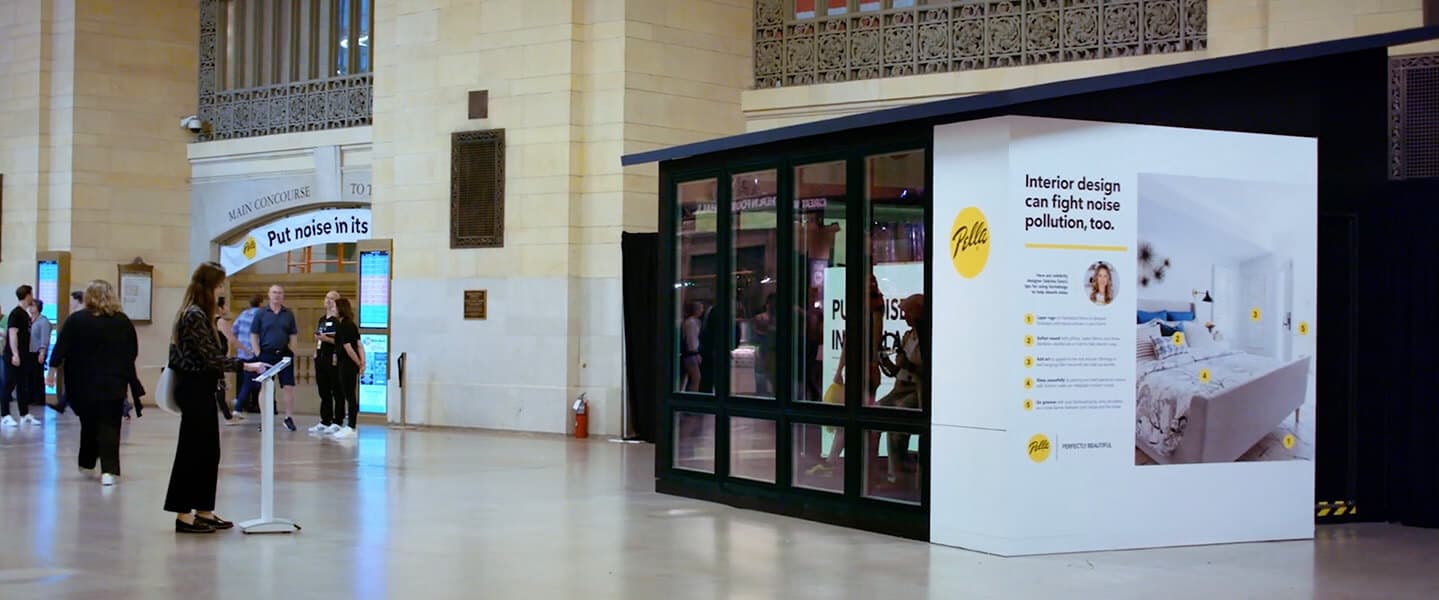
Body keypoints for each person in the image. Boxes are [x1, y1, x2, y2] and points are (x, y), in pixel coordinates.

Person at [164, 262, 269, 534]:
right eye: (219, 284)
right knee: (191, 451)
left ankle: (204, 509)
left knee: (209, 452)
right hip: (193, 388)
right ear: (209, 286)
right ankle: (183, 515)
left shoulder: (203, 315)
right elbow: (210, 358)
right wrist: (245, 365)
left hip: (203, 389)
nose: (221, 289)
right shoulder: (193, 315)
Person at [46, 280, 140, 486]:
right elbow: (132, 351)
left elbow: (61, 347)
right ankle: (110, 470)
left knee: (88, 423)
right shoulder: (122, 321)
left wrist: (52, 371)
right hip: (113, 383)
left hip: (82, 383)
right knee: (110, 425)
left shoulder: (76, 320)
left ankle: (87, 463)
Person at [877, 294, 925, 483]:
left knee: (897, 420)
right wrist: (886, 362)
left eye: (906, 312)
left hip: (916, 390)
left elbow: (925, 370)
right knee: (875, 411)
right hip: (900, 388)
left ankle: (896, 476)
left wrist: (907, 365)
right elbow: (898, 370)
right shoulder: (907, 336)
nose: (903, 316)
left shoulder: (926, 337)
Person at [249, 285, 298, 432]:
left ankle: (288, 417)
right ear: (269, 295)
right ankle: (265, 419)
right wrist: (258, 353)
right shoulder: (261, 313)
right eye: (274, 293)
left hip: (284, 353)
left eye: (280, 293)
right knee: (265, 386)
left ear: (283, 296)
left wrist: (292, 351)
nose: (277, 295)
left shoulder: (288, 314)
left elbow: (293, 335)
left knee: (288, 386)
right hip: (266, 353)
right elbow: (254, 334)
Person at [2, 285, 36, 427]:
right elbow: (12, 334)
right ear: (27, 295)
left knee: (23, 385)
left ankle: (24, 414)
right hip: (13, 356)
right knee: (9, 385)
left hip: (24, 355)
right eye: (31, 294)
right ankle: (5, 415)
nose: (32, 297)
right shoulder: (16, 313)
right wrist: (15, 354)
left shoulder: (25, 314)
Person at [330, 297, 363, 439]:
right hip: (348, 363)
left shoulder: (344, 325)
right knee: (349, 393)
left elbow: (349, 347)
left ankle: (351, 426)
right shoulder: (350, 324)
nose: (332, 310)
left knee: (349, 395)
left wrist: (358, 362)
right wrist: (363, 362)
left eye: (334, 307)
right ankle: (350, 424)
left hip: (347, 364)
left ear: (340, 309)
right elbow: (359, 345)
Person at [310, 291, 341, 434]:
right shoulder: (322, 319)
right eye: (327, 298)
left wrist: (326, 339)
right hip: (321, 357)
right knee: (324, 391)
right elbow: (318, 339)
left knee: (336, 390)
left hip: (333, 357)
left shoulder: (338, 320)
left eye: (332, 299)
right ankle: (325, 420)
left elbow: (340, 341)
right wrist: (316, 351)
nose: (328, 301)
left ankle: (338, 420)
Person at [230, 294, 264, 415]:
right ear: (260, 303)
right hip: (255, 352)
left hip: (242, 353)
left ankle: (242, 404)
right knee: (251, 382)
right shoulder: (261, 315)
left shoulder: (243, 314)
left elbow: (233, 330)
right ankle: (239, 407)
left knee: (246, 380)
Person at [213, 297, 243, 425]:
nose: (227, 309)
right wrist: (246, 350)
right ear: (220, 307)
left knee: (219, 386)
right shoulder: (220, 321)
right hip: (218, 358)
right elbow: (232, 339)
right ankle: (228, 417)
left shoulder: (210, 320)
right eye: (225, 306)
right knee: (220, 387)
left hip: (216, 358)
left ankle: (227, 415)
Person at [28, 299, 52, 417]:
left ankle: (39, 399)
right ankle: (31, 398)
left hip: (38, 352)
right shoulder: (29, 320)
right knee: (30, 376)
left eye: (33, 306)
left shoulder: (43, 321)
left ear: (38, 308)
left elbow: (44, 338)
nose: (31, 308)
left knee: (38, 376)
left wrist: (42, 352)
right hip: (29, 352)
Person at [679, 301, 703, 391]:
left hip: (691, 353)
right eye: (700, 308)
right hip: (691, 354)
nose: (702, 310)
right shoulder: (691, 322)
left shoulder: (694, 322)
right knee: (696, 377)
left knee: (689, 377)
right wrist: (695, 353)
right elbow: (691, 339)